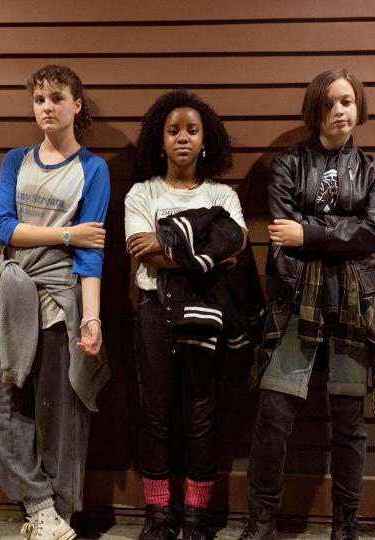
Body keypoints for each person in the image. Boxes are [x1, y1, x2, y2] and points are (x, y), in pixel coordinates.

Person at [239, 69, 375, 540]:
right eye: (329, 103)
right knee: (274, 418)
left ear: (358, 106)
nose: (340, 111)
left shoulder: (372, 171)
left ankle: (345, 525)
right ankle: (261, 521)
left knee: (349, 423)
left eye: (347, 101)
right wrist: (333, 232)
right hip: (293, 299)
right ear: (315, 110)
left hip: (354, 303)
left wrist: (311, 232)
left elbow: (374, 232)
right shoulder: (288, 165)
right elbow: (282, 231)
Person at [0, 64, 110, 540]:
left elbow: (91, 255)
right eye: (39, 99)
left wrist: (91, 319)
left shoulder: (94, 169)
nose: (46, 107)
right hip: (16, 297)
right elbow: (4, 229)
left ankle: (58, 520)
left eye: (56, 97)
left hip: (63, 299)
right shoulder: (16, 160)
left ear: (77, 104)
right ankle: (39, 503)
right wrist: (67, 232)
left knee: (59, 414)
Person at [125, 90, 249, 540]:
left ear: (205, 141)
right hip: (155, 311)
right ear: (160, 142)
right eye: (173, 131)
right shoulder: (142, 192)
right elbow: (143, 253)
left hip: (207, 314)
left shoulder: (223, 193)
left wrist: (168, 244)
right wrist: (204, 248)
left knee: (202, 413)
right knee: (154, 415)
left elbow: (235, 246)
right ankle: (158, 518)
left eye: (191, 131)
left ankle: (196, 519)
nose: (182, 138)